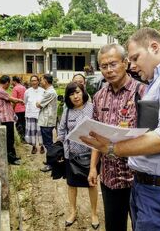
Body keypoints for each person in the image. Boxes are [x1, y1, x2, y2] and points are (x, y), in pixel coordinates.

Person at [80, 28, 160, 230]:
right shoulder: (156, 82)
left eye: (135, 58)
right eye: (103, 66)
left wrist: (112, 148)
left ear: (154, 47)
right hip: (145, 186)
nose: (133, 65)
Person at [87, 43, 146, 231]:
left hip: (138, 178)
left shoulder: (143, 92)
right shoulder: (98, 97)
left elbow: (154, 134)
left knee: (142, 226)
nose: (109, 70)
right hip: (109, 178)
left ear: (125, 63)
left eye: (113, 64)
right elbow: (96, 135)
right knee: (113, 227)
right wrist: (93, 168)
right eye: (104, 66)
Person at [57, 82, 99, 229]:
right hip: (72, 155)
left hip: (90, 154)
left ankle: (94, 213)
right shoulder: (67, 110)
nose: (75, 96)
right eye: (71, 94)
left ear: (83, 92)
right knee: (71, 185)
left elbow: (98, 129)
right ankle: (73, 212)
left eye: (78, 92)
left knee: (91, 184)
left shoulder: (92, 108)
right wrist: (62, 145)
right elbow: (61, 130)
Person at [0, 75, 24, 165]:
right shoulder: (0, 91)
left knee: (10, 138)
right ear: (7, 82)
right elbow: (12, 100)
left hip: (7, 117)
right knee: (9, 139)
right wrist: (20, 100)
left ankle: (13, 156)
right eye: (9, 84)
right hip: (5, 118)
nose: (9, 86)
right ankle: (11, 159)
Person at [36, 74, 58, 172]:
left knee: (48, 143)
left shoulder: (50, 92)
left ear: (45, 81)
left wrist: (38, 103)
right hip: (46, 120)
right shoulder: (49, 91)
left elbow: (39, 104)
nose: (40, 82)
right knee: (48, 142)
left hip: (47, 121)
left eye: (41, 80)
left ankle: (51, 163)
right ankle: (50, 160)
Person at [24, 75, 45, 154]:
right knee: (32, 131)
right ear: (30, 82)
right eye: (32, 81)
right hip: (31, 114)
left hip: (40, 114)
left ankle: (42, 146)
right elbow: (25, 102)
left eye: (35, 80)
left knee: (41, 131)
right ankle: (34, 146)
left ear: (38, 81)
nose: (34, 82)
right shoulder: (27, 91)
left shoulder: (43, 91)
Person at [11, 76, 27, 142]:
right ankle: (26, 137)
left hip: (18, 109)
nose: (11, 82)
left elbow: (14, 100)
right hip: (25, 108)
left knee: (18, 123)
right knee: (24, 123)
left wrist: (12, 109)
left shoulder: (15, 88)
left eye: (12, 81)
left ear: (14, 81)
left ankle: (22, 138)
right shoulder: (24, 87)